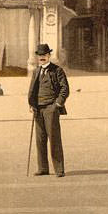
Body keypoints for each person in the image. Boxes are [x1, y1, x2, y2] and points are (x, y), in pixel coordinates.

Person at [27, 43, 69, 178]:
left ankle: (59, 169)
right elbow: (32, 89)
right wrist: (31, 104)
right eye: (40, 56)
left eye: (44, 55)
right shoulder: (36, 71)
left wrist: (58, 104)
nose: (42, 58)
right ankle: (43, 168)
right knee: (40, 140)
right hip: (38, 109)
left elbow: (65, 89)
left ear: (49, 55)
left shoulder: (57, 70)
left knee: (54, 139)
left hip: (51, 108)